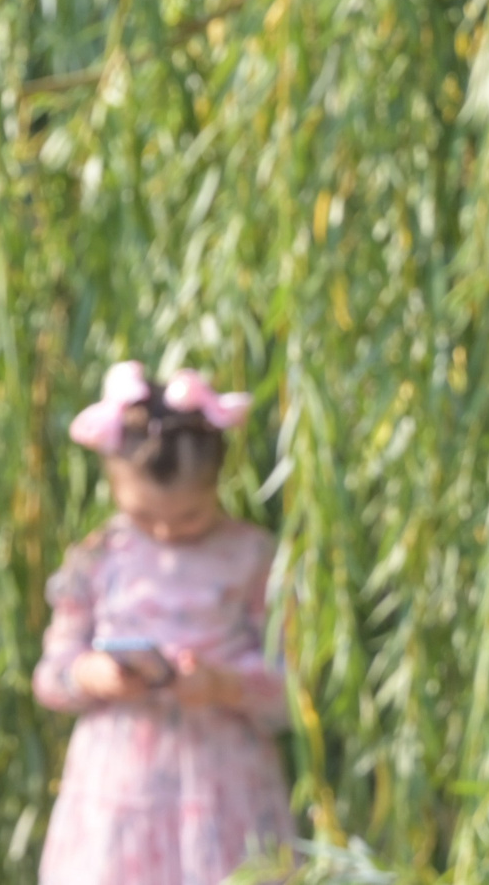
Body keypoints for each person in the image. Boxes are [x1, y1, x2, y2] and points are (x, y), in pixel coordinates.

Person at [32, 361, 292, 885]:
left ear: (217, 483)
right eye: (145, 517)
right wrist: (92, 675)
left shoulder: (253, 559)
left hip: (225, 791)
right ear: (114, 486)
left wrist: (222, 685)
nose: (167, 533)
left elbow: (295, 692)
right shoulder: (98, 558)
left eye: (189, 516)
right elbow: (50, 676)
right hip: (116, 796)